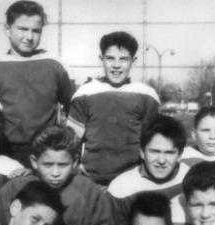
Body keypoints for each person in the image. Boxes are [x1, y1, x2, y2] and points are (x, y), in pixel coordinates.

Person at [0, 0, 73, 167]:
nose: (29, 37)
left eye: (36, 31)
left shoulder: (55, 64)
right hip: (4, 152)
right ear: (7, 29)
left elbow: (75, 109)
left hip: (46, 151)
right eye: (22, 29)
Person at [67, 31, 160, 185]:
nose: (116, 65)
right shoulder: (85, 92)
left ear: (134, 61)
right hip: (92, 179)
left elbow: (153, 141)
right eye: (110, 58)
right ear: (101, 60)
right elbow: (71, 139)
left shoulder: (147, 95)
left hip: (133, 179)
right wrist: (74, 165)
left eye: (123, 59)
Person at [108, 115, 190, 225]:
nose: (161, 160)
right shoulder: (121, 188)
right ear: (142, 152)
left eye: (169, 153)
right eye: (154, 152)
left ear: (180, 155)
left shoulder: (189, 178)